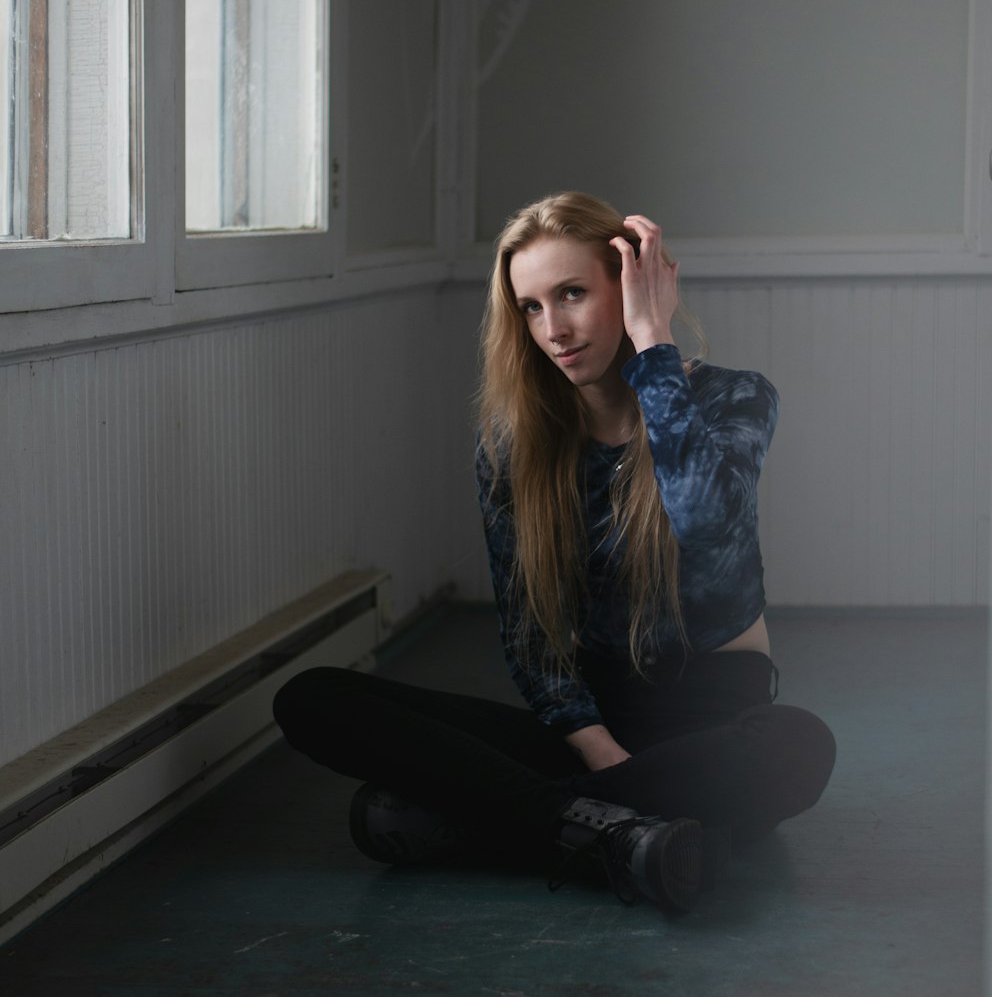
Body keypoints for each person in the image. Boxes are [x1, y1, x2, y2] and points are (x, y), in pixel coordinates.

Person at [273, 191, 836, 915]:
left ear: (629, 286)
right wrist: (603, 758)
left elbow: (702, 521)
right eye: (531, 308)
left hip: (712, 727)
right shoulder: (514, 444)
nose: (555, 329)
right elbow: (531, 639)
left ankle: (492, 821)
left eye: (573, 294)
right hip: (589, 732)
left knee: (800, 744)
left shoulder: (735, 399)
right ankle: (610, 828)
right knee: (313, 697)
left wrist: (651, 341)